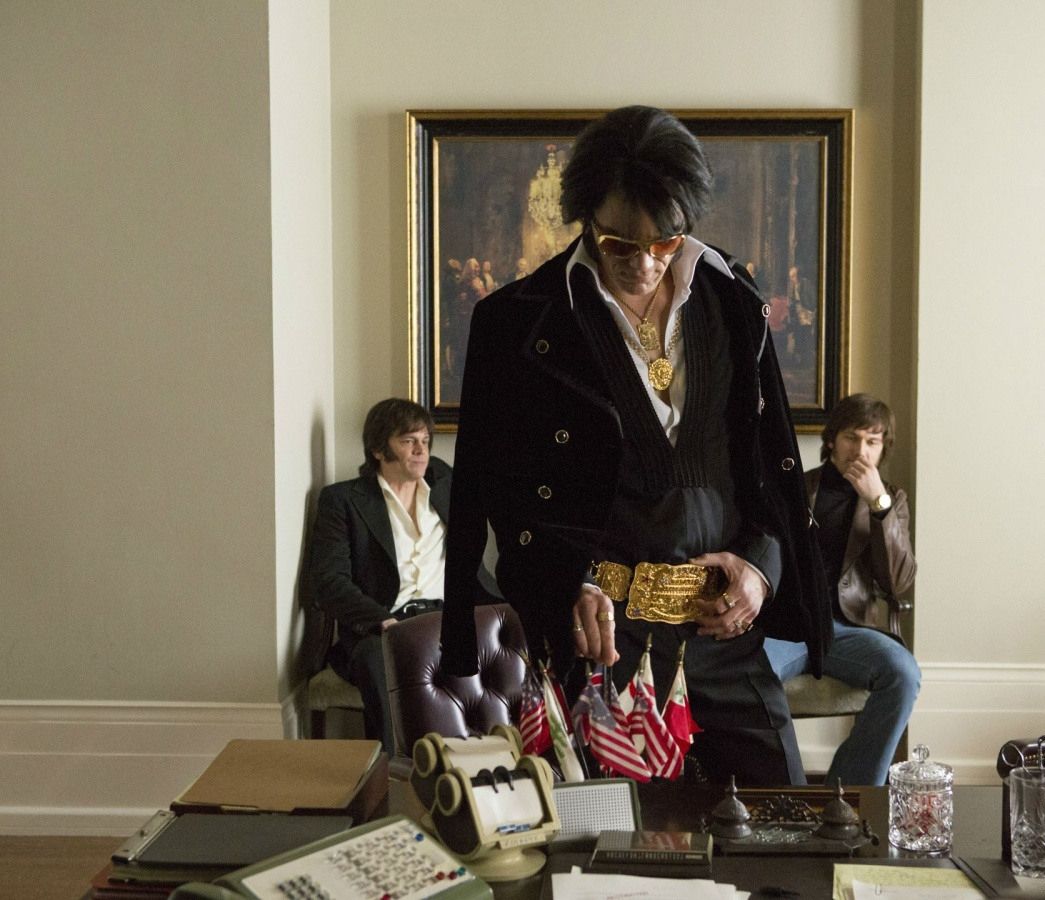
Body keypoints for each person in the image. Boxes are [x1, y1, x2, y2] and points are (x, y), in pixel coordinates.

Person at [440, 106, 830, 786]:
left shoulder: (734, 297)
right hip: (605, 642)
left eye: (665, 242)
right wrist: (567, 581)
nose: (644, 264)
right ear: (584, 218)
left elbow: (767, 459)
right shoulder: (514, 321)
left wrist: (761, 567)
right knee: (611, 841)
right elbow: (490, 488)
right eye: (620, 244)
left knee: (782, 821)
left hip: (724, 629)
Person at [764, 393, 919, 786]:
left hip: (849, 632)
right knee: (748, 672)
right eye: (852, 437)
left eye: (872, 441)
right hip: (790, 627)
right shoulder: (795, 488)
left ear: (883, 448)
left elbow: (899, 582)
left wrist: (879, 505)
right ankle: (787, 788)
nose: (861, 451)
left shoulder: (892, 500)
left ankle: (850, 792)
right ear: (832, 439)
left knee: (903, 673)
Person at [310, 399, 451, 753]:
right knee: (379, 658)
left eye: (425, 440)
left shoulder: (444, 486)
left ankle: (482, 767)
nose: (421, 450)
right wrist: (382, 620)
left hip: (446, 620)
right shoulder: (343, 500)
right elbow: (329, 581)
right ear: (377, 449)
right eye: (408, 441)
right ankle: (395, 767)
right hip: (384, 623)